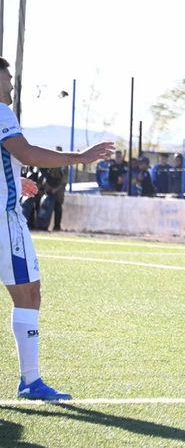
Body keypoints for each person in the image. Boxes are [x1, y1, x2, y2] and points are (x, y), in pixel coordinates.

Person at [0, 56, 115, 400]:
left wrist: (13, 181)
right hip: (5, 221)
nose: (11, 83)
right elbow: (27, 152)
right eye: (6, 77)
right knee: (28, 294)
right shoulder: (2, 112)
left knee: (28, 293)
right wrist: (81, 157)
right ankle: (30, 381)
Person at [42, 147, 67, 231]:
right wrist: (47, 186)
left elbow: (64, 180)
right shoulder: (49, 162)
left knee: (58, 207)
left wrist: (56, 189)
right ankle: (43, 225)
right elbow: (46, 175)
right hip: (49, 186)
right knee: (45, 206)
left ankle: (57, 226)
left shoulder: (63, 165)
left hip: (59, 189)